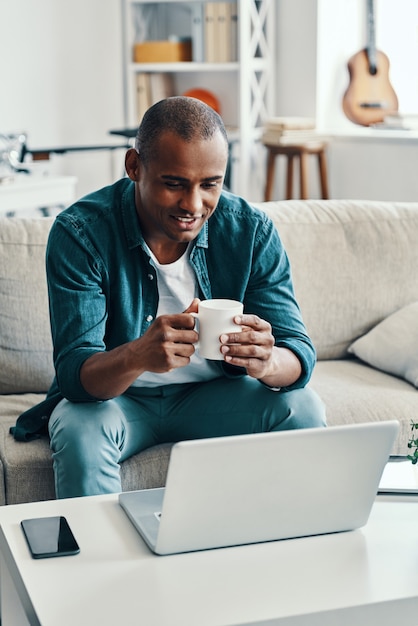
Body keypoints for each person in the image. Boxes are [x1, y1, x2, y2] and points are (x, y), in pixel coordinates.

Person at [11, 96, 326, 498]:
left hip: (216, 397)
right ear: (134, 166)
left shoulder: (250, 232)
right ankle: (96, 559)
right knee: (79, 428)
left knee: (304, 409)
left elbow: (298, 352)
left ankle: (291, 550)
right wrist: (139, 354)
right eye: (174, 184)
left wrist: (268, 361)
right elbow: (76, 375)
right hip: (117, 404)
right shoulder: (81, 233)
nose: (193, 205)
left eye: (210, 185)